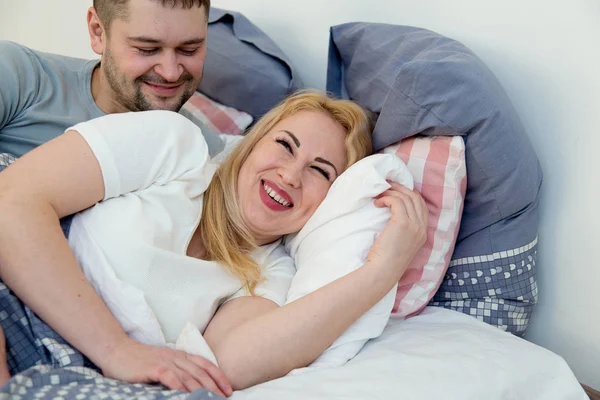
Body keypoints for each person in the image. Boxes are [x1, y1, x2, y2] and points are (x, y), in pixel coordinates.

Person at [0, 91, 429, 396]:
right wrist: (117, 349)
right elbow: (12, 202)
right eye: (284, 145)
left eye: (320, 171)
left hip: (66, 369)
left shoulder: (272, 275)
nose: (290, 175)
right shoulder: (176, 149)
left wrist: (380, 272)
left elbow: (225, 368)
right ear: (251, 144)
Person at [0, 0, 211, 158]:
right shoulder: (17, 75)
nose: (171, 73)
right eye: (148, 49)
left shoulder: (200, 145)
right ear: (98, 32)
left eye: (189, 50)